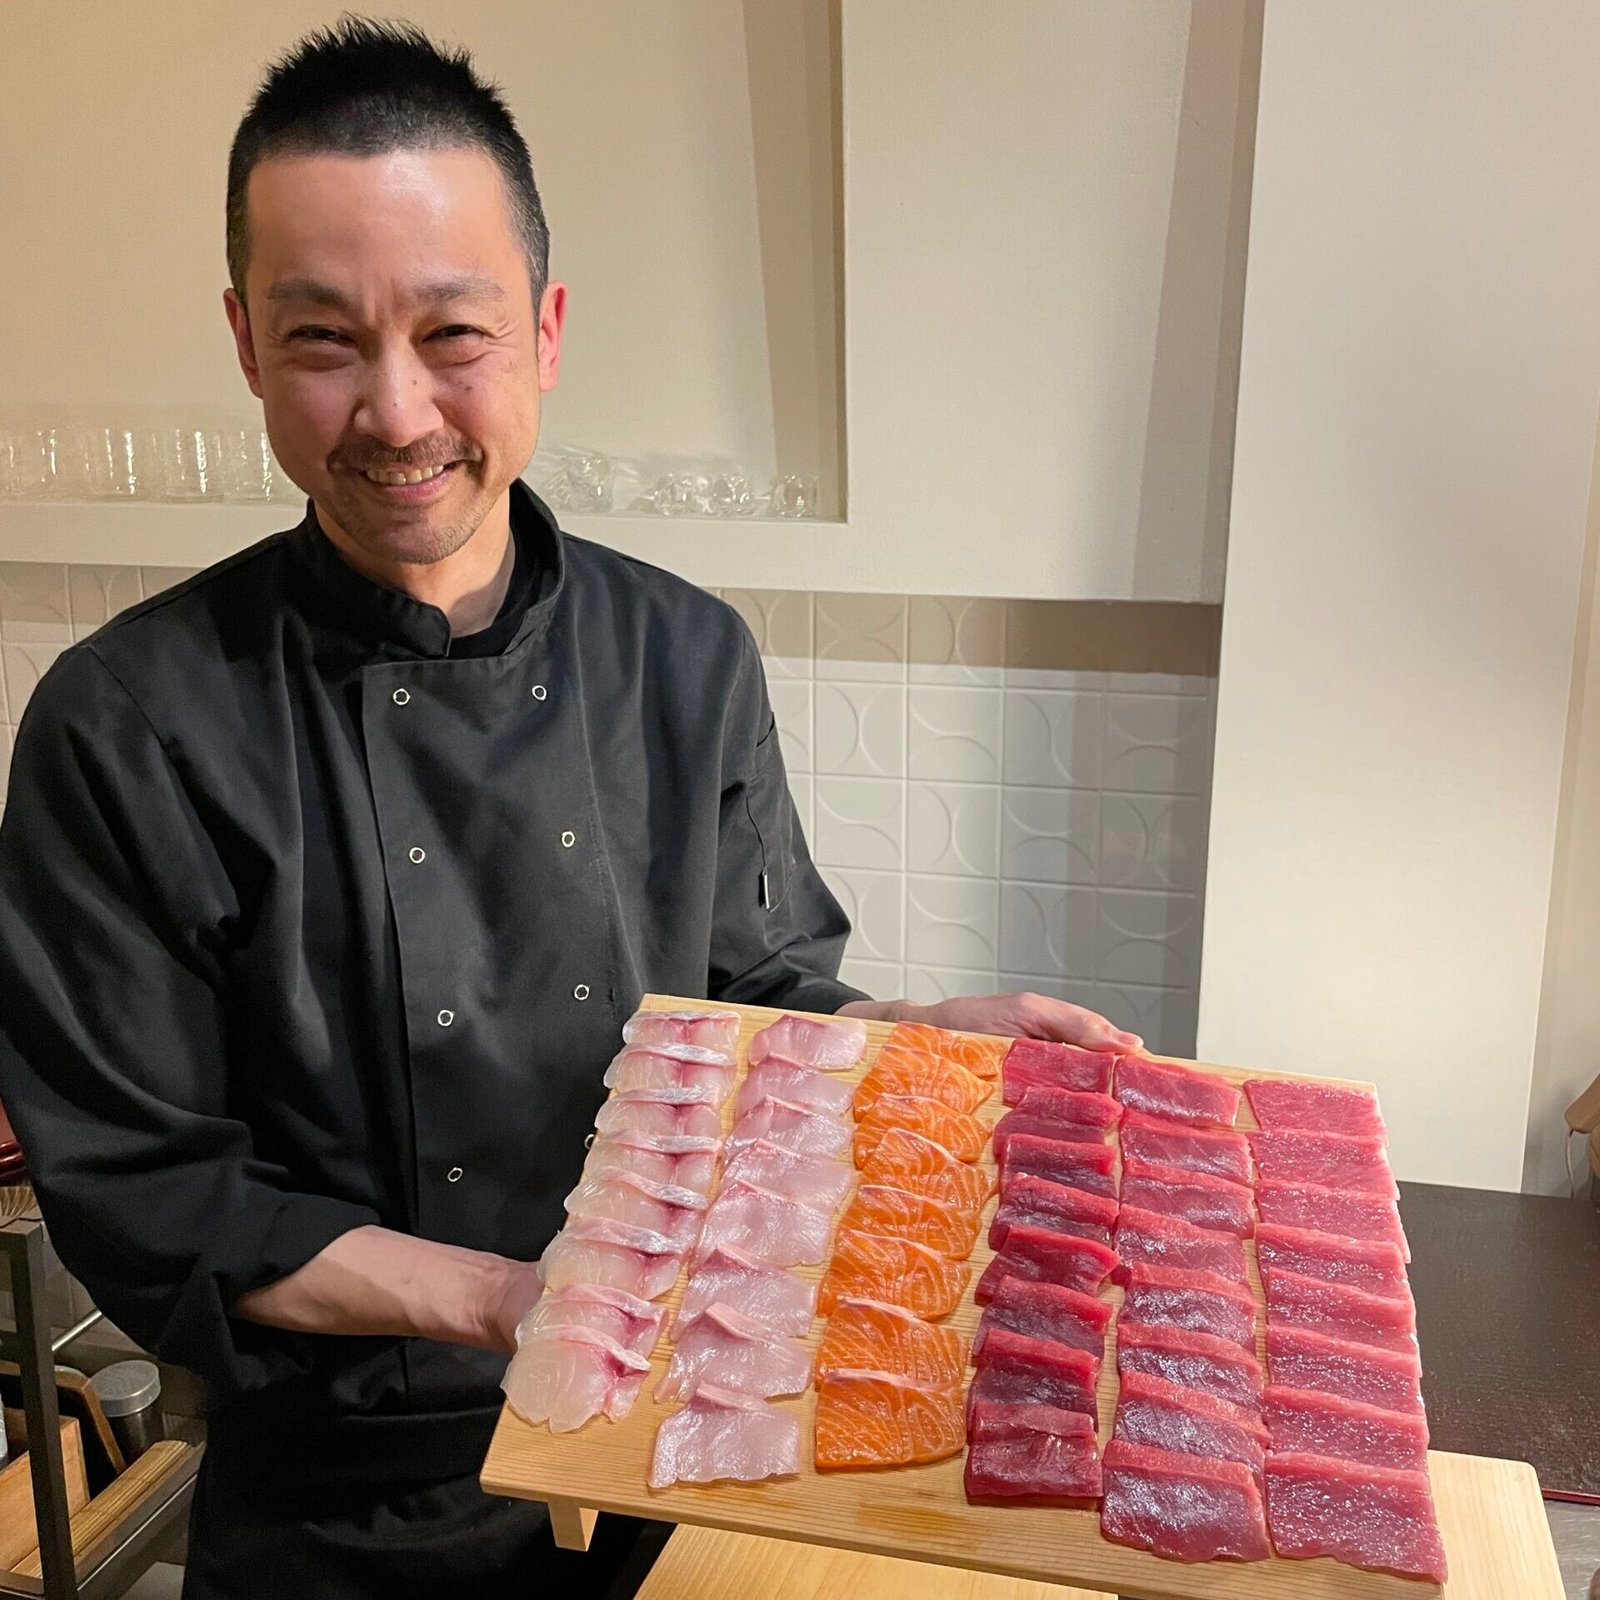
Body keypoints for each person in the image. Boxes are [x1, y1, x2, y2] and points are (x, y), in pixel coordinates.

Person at [0, 20, 1140, 1599]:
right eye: (324, 339)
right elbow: (151, 1192)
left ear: (543, 330)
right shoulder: (128, 721)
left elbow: (748, 1001)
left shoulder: (684, 652)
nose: (397, 411)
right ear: (248, 345)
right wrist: (513, 1300)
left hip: (679, 1445)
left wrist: (909, 1037)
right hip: (347, 1509)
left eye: (451, 333)